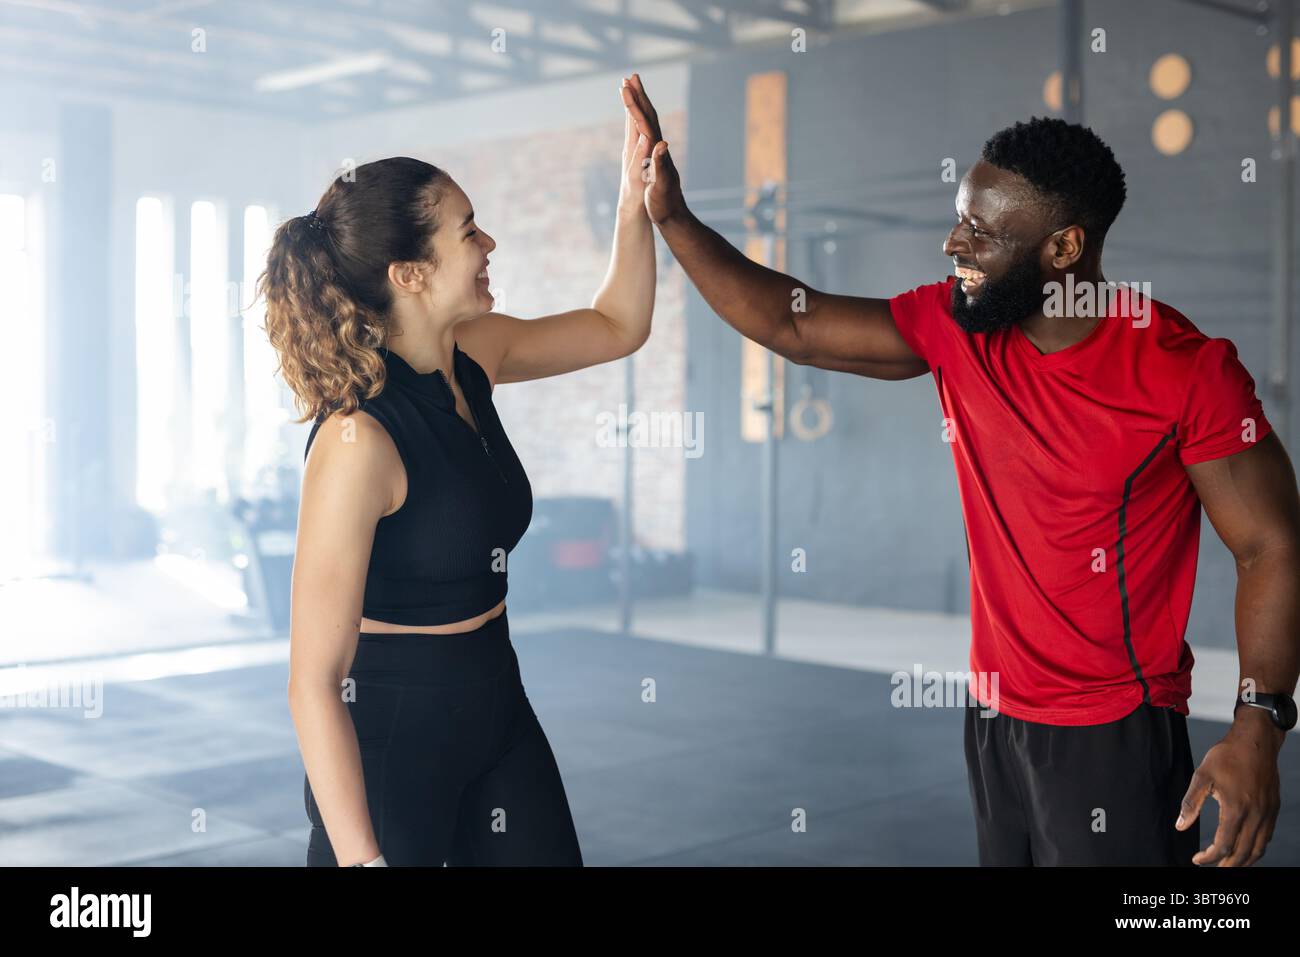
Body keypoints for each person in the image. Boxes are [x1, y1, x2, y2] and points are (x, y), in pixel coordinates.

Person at [621, 73, 1299, 866]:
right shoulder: (958, 326)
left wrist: (1259, 727)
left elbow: (1271, 546)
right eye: (957, 222)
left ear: (1064, 248)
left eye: (980, 231)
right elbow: (790, 323)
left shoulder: (1185, 369)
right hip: (992, 716)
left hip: (1111, 730)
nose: (954, 246)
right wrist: (670, 215)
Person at [262, 80, 656, 866]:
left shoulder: (476, 355)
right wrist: (362, 859)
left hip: (497, 700)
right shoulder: (358, 440)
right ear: (409, 272)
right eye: (468, 230)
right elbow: (313, 681)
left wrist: (632, 199)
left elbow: (619, 325)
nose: (489, 245)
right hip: (391, 733)